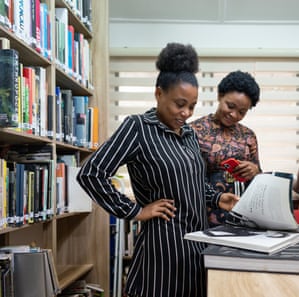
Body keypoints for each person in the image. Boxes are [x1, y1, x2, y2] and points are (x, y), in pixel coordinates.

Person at [77, 43, 238, 297]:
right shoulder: (138, 127)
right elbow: (91, 174)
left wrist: (218, 198)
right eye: (180, 104)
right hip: (162, 252)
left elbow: (191, 183)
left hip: (196, 249)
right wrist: (135, 211)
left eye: (192, 106)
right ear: (159, 94)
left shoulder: (188, 135)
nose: (186, 113)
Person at [190, 70, 261, 226]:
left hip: (241, 216)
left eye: (242, 112)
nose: (234, 115)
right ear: (220, 96)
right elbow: (187, 179)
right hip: (201, 215)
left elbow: (259, 180)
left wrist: (254, 171)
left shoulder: (248, 136)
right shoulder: (194, 131)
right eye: (230, 106)